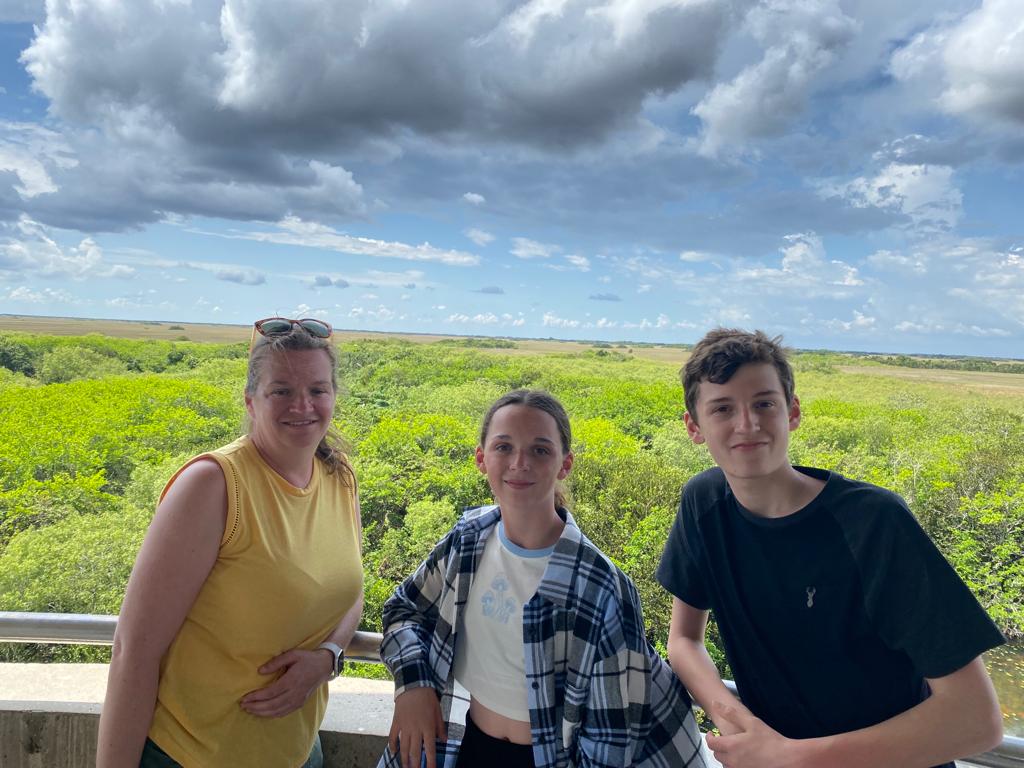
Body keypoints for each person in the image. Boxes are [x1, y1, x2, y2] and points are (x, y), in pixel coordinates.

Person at [656, 327, 1006, 768]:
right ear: (694, 427)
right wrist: (735, 719)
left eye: (764, 403)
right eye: (722, 408)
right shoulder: (704, 504)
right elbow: (684, 639)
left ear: (792, 412)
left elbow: (975, 719)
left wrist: (791, 757)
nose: (747, 424)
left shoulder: (873, 523)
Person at [377, 389, 711, 768]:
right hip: (467, 744)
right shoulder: (466, 542)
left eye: (540, 450)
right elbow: (403, 610)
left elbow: (610, 738)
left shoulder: (599, 586)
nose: (520, 463)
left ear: (564, 464)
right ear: (481, 459)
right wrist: (414, 686)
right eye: (503, 447)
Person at [97, 317, 364, 768]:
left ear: (333, 396)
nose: (302, 404)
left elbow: (351, 591)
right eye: (281, 390)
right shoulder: (214, 485)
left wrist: (328, 657)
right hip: (191, 755)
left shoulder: (339, 477)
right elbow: (134, 651)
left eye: (318, 389)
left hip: (297, 752)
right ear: (251, 400)